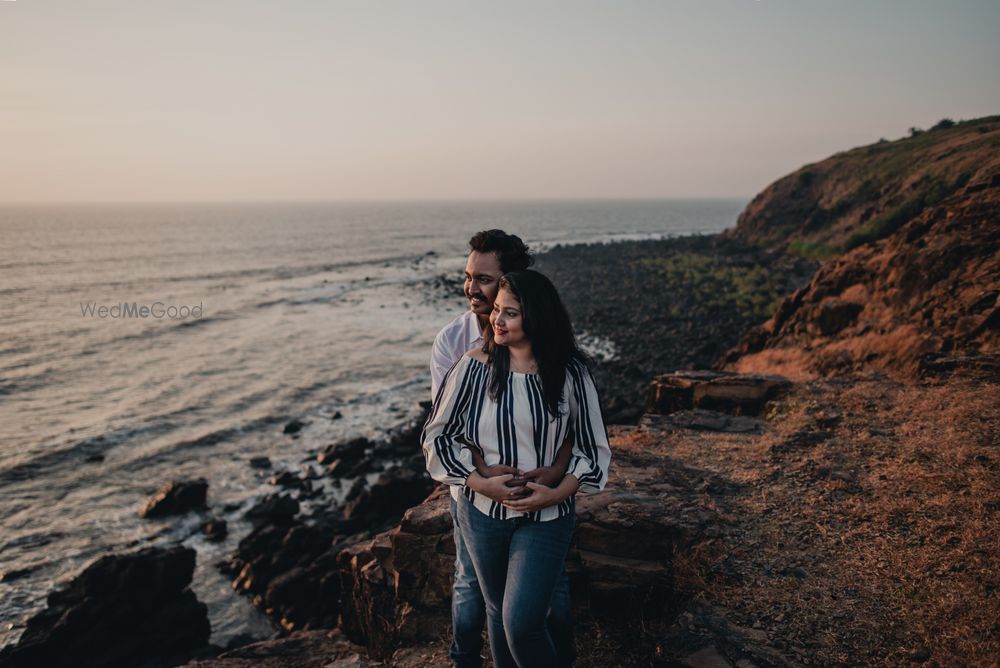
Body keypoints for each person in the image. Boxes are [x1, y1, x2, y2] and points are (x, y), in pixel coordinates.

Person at [423, 270, 611, 668]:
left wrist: (558, 491)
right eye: (497, 311)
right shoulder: (472, 367)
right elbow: (438, 438)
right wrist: (479, 482)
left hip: (547, 516)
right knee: (496, 612)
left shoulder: (570, 372)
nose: (497, 320)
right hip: (483, 515)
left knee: (521, 623)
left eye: (510, 313)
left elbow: (592, 445)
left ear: (536, 317)